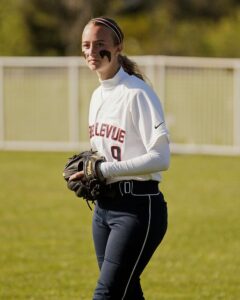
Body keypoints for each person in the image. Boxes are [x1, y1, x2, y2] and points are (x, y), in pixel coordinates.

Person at [70, 16, 170, 300]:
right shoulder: (97, 96)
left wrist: (104, 170)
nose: (91, 51)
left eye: (99, 45)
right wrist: (89, 171)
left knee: (106, 294)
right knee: (125, 293)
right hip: (103, 209)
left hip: (138, 208)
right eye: (85, 45)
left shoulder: (137, 93)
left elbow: (162, 158)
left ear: (118, 47)